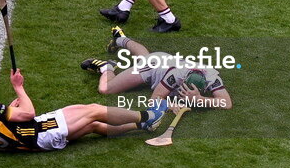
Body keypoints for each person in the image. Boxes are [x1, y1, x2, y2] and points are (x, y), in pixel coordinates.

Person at [0, 67, 169, 152]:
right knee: (93, 110)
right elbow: (28, 114)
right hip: (39, 131)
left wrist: (6, 111)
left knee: (92, 124)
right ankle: (148, 116)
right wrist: (19, 88)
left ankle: (140, 126)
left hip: (31, 142)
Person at [81, 25, 233, 110]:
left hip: (163, 60)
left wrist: (200, 99)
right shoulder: (176, 75)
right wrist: (170, 105)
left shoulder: (211, 76)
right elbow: (154, 99)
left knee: (144, 56)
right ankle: (107, 67)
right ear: (182, 81)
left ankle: (121, 39)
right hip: (153, 66)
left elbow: (226, 103)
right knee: (106, 89)